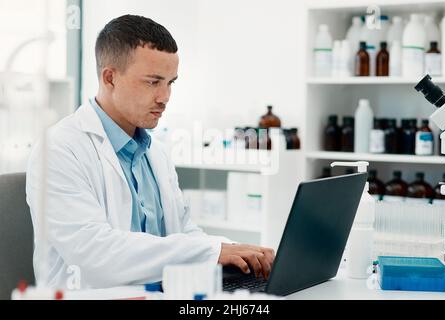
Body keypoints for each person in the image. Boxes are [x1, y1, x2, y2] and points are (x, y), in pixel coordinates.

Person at [26, 15, 274, 289]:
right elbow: (96, 255)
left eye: (171, 83)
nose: (165, 97)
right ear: (110, 78)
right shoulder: (60, 150)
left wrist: (236, 251)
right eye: (153, 82)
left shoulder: (155, 152)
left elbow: (182, 232)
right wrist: (212, 251)